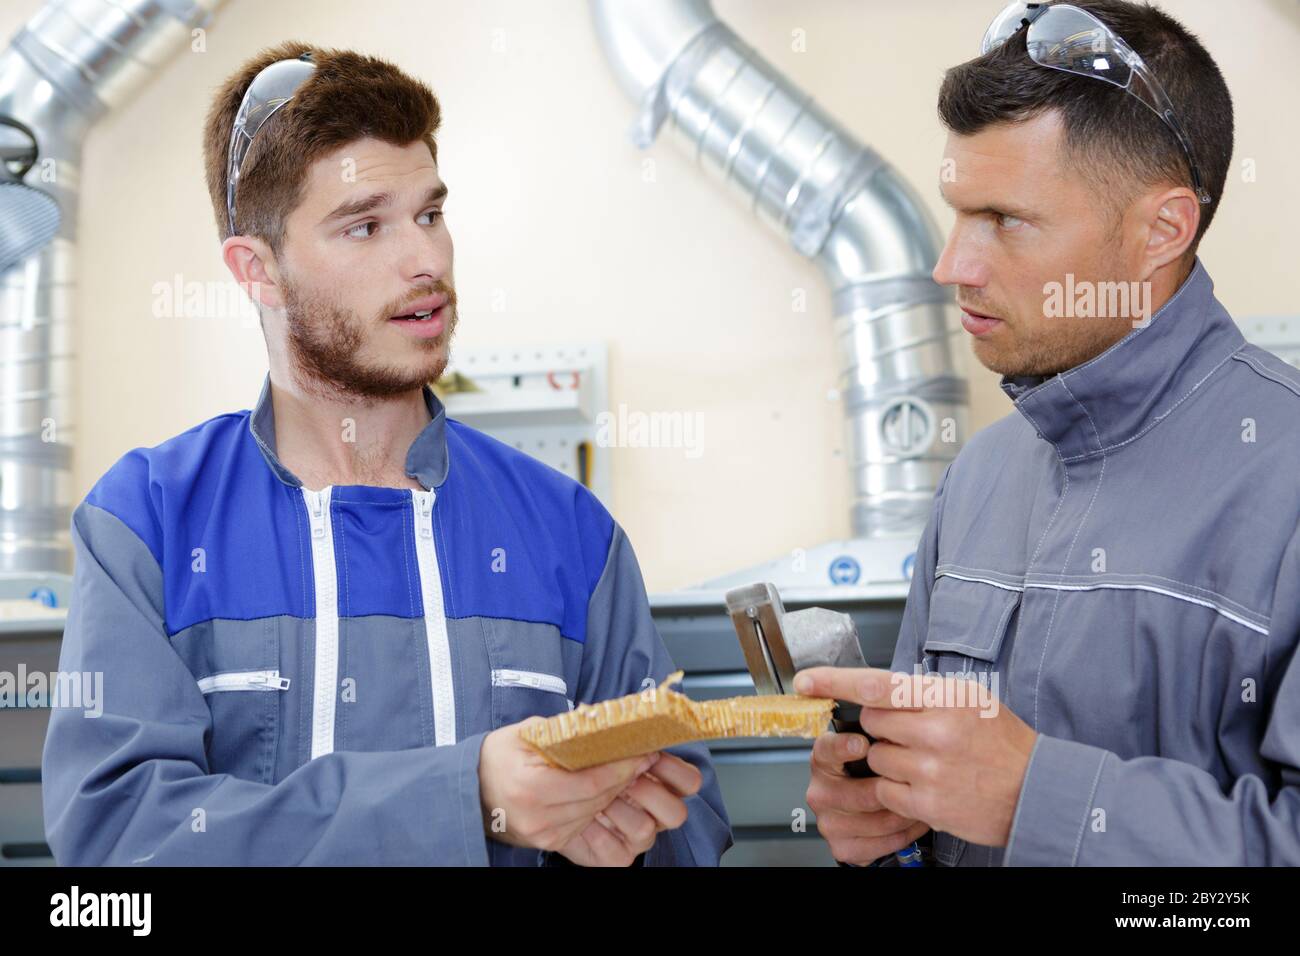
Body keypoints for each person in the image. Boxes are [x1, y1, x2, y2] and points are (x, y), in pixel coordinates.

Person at [41, 41, 731, 866]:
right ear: (257, 271)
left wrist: (637, 832)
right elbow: (120, 836)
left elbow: (690, 821)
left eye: (431, 215)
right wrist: (467, 797)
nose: (426, 261)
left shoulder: (570, 531)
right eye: (365, 225)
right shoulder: (146, 521)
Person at [799, 0, 1300, 866]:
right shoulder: (984, 475)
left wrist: (1039, 798)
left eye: (1006, 219)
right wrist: (883, 822)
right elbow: (929, 806)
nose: (952, 265)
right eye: (959, 211)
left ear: (1162, 230)